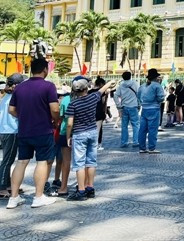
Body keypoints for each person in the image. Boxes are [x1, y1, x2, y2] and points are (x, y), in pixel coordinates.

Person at [7, 58, 60, 209]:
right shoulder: (48, 86)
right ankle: (38, 197)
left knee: (22, 162)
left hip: (24, 131)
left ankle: (14, 197)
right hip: (43, 130)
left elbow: (11, 110)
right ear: (45, 70)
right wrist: (55, 121)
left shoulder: (20, 88)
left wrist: (23, 116)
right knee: (42, 161)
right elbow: (55, 109)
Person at [65, 76, 115, 201]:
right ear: (86, 88)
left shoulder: (73, 103)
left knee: (79, 163)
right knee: (91, 161)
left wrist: (68, 136)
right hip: (93, 132)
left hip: (79, 134)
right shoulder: (93, 98)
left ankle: (81, 190)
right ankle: (90, 188)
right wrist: (109, 82)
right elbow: (101, 90)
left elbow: (70, 123)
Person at [0, 74, 25, 199]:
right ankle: (2, 187)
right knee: (7, 160)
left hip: (4, 130)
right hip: (11, 130)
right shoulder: (14, 98)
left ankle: (8, 185)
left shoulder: (5, 97)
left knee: (7, 159)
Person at [137, 69, 165, 154]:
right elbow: (161, 98)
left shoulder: (142, 86)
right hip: (154, 108)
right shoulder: (157, 86)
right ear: (156, 77)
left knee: (142, 129)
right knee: (152, 129)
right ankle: (152, 148)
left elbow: (138, 96)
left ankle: (142, 148)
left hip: (144, 109)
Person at [114, 71, 140, 148]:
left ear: (123, 77)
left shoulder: (121, 86)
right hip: (134, 107)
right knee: (135, 125)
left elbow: (115, 96)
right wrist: (139, 104)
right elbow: (139, 94)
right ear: (130, 76)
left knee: (124, 126)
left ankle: (124, 142)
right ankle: (136, 141)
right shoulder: (135, 84)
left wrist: (118, 105)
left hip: (124, 107)